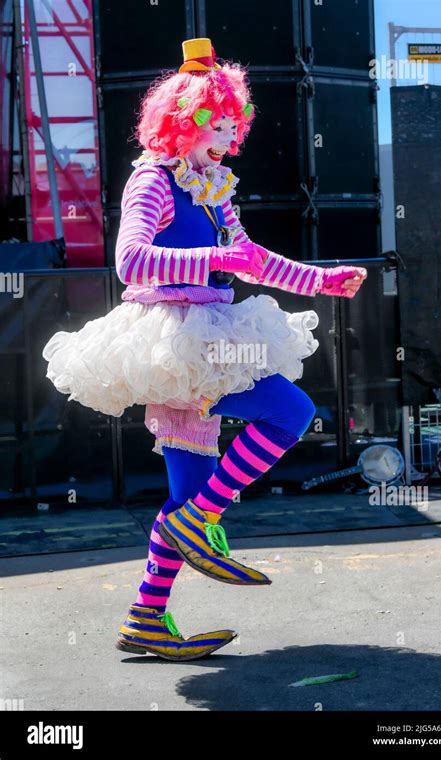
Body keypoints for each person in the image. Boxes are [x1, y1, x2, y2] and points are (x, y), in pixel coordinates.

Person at [42, 38, 367, 661]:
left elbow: (250, 260)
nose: (226, 137)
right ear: (183, 122)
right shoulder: (154, 179)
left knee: (186, 493)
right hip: (176, 338)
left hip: (212, 334)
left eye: (232, 127)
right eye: (217, 125)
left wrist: (322, 279)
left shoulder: (214, 186)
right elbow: (130, 259)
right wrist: (212, 256)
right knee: (290, 412)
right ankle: (201, 523)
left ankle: (146, 616)